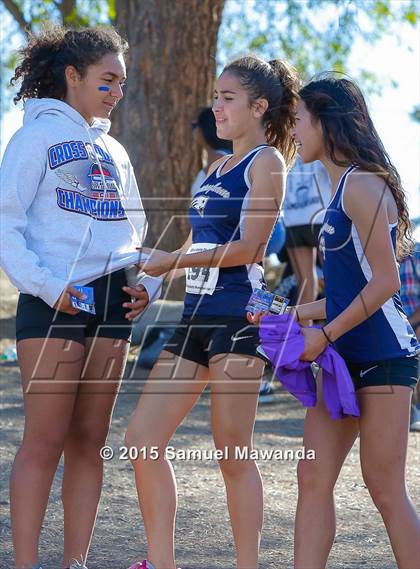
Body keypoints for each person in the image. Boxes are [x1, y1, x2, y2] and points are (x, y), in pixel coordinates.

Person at [124, 55, 299, 569]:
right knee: (142, 440)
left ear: (259, 106)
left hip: (237, 321)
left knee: (232, 454)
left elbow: (249, 249)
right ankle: (161, 562)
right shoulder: (216, 166)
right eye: (216, 96)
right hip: (194, 320)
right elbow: (200, 244)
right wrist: (153, 284)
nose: (216, 107)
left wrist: (171, 263)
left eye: (227, 98)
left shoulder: (267, 162)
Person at [0, 25, 160, 569]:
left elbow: (138, 229)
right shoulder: (33, 139)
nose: (117, 92)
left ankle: (76, 562)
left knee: (90, 440)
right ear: (72, 76)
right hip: (53, 298)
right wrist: (47, 286)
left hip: (114, 300)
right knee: (44, 439)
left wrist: (149, 286)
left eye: (121, 82)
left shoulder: (113, 148)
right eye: (107, 80)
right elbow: (7, 225)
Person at [249, 75, 420, 568]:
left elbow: (385, 284)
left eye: (299, 119)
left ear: (326, 120)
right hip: (343, 358)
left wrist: (321, 335)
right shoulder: (341, 187)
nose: (294, 131)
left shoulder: (362, 184)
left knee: (384, 489)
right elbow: (347, 293)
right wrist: (286, 312)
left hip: (386, 359)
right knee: (312, 477)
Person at [283, 156, 330, 324]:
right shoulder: (316, 136)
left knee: (305, 286)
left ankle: (303, 339)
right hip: (319, 217)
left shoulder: (283, 144)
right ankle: (337, 339)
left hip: (293, 219)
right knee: (335, 283)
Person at [399, 243, 420, 431]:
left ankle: (414, 408)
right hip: (395, 325)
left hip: (413, 322)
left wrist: (408, 326)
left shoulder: (416, 256)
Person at [190, 106, 232, 196]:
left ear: (204, 128)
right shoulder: (225, 156)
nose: (192, 131)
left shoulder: (219, 160)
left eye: (194, 125)